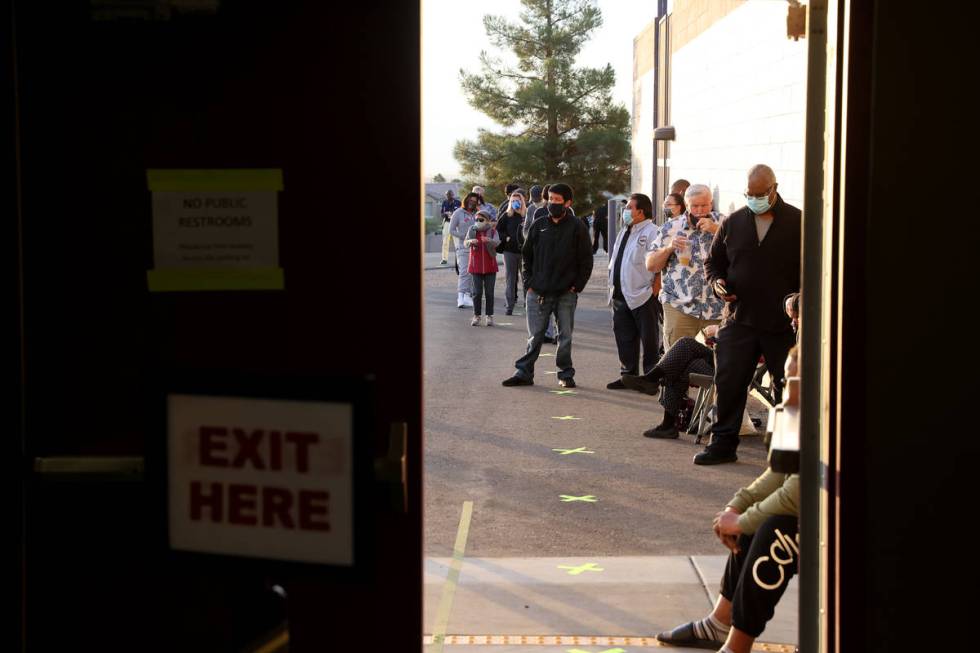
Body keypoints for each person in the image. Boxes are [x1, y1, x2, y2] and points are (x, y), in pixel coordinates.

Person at [657, 348, 800, 653]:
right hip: (819, 512)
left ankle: (737, 646)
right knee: (754, 524)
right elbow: (779, 473)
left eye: (793, 378)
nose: (785, 386)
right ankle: (719, 625)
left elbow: (802, 490)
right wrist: (738, 506)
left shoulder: (834, 413)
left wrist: (746, 520)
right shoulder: (801, 412)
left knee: (776, 533)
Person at [696, 164, 800, 466]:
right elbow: (713, 263)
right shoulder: (734, 222)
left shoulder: (797, 222)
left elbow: (813, 268)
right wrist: (717, 284)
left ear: (774, 188)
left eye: (760, 194)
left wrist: (800, 301)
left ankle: (785, 452)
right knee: (729, 382)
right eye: (749, 194)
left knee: (787, 385)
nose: (754, 199)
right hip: (738, 318)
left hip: (782, 323)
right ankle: (723, 443)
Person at [502, 183, 592, 388]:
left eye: (557, 200)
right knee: (535, 336)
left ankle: (565, 374)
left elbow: (586, 261)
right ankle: (524, 373)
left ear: (568, 203)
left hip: (566, 293)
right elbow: (527, 255)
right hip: (538, 291)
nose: (552, 203)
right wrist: (529, 283)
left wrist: (576, 286)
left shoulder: (578, 227)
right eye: (550, 199)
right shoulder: (538, 224)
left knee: (565, 336)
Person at [646, 184, 725, 349]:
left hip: (716, 307)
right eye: (695, 206)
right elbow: (651, 265)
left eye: (704, 205)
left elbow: (744, 250)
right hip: (680, 305)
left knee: (716, 363)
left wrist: (716, 230)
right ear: (686, 206)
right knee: (675, 361)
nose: (700, 210)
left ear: (711, 204)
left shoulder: (725, 223)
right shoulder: (671, 227)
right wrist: (669, 248)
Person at [606, 193, 661, 390]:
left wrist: (655, 290)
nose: (625, 211)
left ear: (641, 211)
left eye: (629, 207)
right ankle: (627, 375)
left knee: (649, 339)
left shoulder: (653, 232)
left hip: (643, 295)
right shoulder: (625, 231)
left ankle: (651, 379)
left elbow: (660, 264)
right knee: (624, 336)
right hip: (620, 294)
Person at [463, 210, 500, 326]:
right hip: (475, 266)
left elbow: (497, 243)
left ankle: (489, 316)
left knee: (489, 293)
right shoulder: (472, 230)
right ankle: (476, 316)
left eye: (481, 220)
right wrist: (470, 241)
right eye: (477, 219)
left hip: (490, 266)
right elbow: (465, 243)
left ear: (487, 221)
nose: (478, 222)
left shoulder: (493, 231)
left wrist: (490, 240)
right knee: (477, 292)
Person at [496, 189, 527, 316]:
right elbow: (498, 230)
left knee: (526, 278)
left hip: (525, 252)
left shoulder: (526, 215)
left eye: (517, 201)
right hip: (509, 252)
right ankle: (509, 306)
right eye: (513, 201)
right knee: (510, 279)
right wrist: (506, 238)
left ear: (522, 201)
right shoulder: (506, 215)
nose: (515, 203)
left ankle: (528, 303)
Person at [449, 192, 480, 308]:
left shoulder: (477, 213)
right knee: (464, 272)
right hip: (462, 247)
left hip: (476, 247)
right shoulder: (458, 213)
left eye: (475, 201)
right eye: (470, 200)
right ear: (466, 200)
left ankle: (467, 295)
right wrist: (463, 236)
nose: (472, 203)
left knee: (472, 272)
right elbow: (451, 230)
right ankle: (460, 297)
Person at [440, 189, 460, 265]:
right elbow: (441, 214)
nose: (449, 196)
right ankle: (444, 259)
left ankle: (459, 258)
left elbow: (461, 212)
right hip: (447, 223)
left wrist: (453, 214)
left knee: (457, 242)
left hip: (456, 224)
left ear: (453, 195)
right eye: (447, 195)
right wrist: (445, 213)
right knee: (445, 241)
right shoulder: (444, 202)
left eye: (450, 194)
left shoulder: (458, 203)